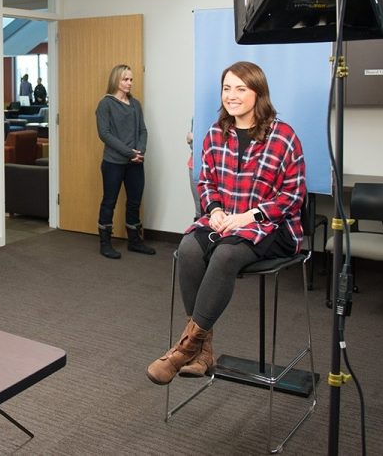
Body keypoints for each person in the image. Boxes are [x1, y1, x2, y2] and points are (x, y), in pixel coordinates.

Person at [146, 61, 306, 385]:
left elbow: (293, 194)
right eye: (226, 88)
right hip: (225, 221)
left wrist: (249, 216)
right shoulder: (216, 133)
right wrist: (215, 210)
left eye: (240, 89)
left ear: (258, 93)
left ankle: (184, 349)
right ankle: (203, 353)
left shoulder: (284, 136)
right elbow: (206, 182)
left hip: (271, 227)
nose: (231, 96)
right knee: (188, 248)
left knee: (226, 255)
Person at [95, 64, 154, 259]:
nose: (129, 83)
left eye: (131, 79)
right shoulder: (106, 104)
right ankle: (105, 243)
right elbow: (105, 134)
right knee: (109, 201)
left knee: (134, 202)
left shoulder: (135, 104)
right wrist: (130, 152)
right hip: (113, 163)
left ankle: (134, 242)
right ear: (116, 81)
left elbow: (143, 131)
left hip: (135, 162)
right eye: (125, 79)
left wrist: (140, 151)